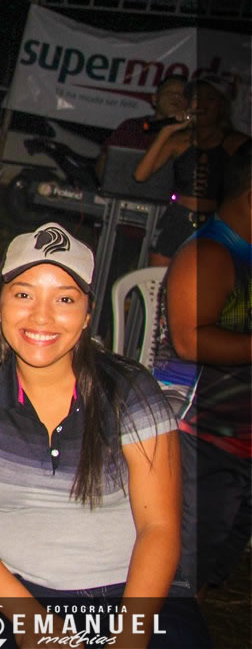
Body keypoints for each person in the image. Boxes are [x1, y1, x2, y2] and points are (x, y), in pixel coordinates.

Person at [0, 222, 207, 648]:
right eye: (23, 294)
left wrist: (130, 636)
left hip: (135, 591)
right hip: (14, 593)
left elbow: (159, 528)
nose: (42, 316)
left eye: (64, 299)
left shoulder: (130, 390)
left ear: (87, 314)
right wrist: (30, 621)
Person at [152, 148, 250, 601]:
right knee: (178, 575)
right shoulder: (211, 252)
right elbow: (189, 341)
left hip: (234, 440)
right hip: (199, 438)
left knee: (206, 569)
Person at [134, 77, 250, 266]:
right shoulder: (179, 140)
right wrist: (167, 131)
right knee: (156, 278)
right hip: (177, 218)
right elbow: (140, 175)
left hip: (214, 223)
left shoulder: (235, 141)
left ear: (221, 106)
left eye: (210, 99)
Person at [96, 75, 188, 178]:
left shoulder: (189, 136)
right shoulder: (132, 127)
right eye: (170, 92)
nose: (176, 97)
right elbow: (105, 159)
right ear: (155, 99)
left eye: (182, 94)